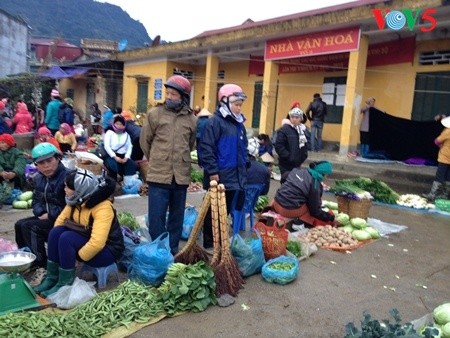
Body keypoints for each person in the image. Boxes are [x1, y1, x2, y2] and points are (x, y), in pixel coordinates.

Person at [34, 169, 124, 298]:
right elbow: (60, 221)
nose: (64, 189)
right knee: (56, 232)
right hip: (87, 239)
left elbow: (97, 243)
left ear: (79, 190)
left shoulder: (103, 208)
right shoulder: (76, 199)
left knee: (67, 238)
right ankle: (52, 278)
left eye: (68, 187)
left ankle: (65, 284)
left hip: (108, 250)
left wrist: (78, 258)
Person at [140, 74, 197, 254]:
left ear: (183, 97)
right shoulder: (155, 114)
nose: (169, 97)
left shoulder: (191, 119)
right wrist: (158, 158)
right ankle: (158, 251)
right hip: (159, 174)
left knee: (176, 217)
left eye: (174, 94)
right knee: (156, 217)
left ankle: (172, 250)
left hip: (180, 176)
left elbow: (190, 144)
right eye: (168, 93)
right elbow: (145, 141)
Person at [198, 83, 248, 250]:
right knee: (213, 210)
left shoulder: (239, 124)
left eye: (240, 105)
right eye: (236, 104)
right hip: (219, 175)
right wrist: (212, 171)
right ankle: (209, 243)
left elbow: (243, 148)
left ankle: (219, 241)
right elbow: (206, 147)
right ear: (225, 102)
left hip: (234, 175)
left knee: (223, 211)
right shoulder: (215, 122)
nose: (239, 108)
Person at [14, 143, 68, 285]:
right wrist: (40, 212)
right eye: (41, 163)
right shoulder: (39, 178)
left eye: (49, 161)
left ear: (58, 158)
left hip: (65, 221)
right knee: (19, 225)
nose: (45, 166)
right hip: (46, 217)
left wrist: (49, 214)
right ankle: (28, 259)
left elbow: (69, 206)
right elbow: (36, 200)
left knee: (30, 227)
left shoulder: (68, 177)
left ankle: (42, 264)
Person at [271, 161, 339, 228]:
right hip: (288, 210)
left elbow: (283, 177)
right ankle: (298, 222)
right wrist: (331, 218)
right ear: (323, 174)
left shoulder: (298, 170)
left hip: (276, 202)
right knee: (310, 206)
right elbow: (315, 211)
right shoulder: (314, 184)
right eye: (327, 175)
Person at [274, 107, 308, 183]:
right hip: (285, 165)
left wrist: (303, 156)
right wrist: (288, 157)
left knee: (295, 185)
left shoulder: (302, 131)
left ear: (301, 119)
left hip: (297, 164)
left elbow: (304, 146)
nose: (294, 119)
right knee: (286, 184)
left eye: (297, 117)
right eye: (292, 117)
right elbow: (279, 146)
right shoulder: (284, 130)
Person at [423, 116, 450, 201]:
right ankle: (445, 195)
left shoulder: (447, 131)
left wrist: (441, 146)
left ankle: (432, 194)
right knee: (448, 177)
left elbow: (437, 141)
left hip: (444, 157)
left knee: (440, 176)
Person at [103, 114, 136, 182]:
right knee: (113, 166)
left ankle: (128, 182)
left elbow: (130, 146)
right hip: (112, 156)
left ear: (124, 125)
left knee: (131, 165)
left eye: (121, 124)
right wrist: (115, 157)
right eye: (117, 123)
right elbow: (107, 146)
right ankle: (112, 182)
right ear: (114, 124)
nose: (119, 125)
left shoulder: (126, 135)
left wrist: (126, 157)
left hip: (123, 156)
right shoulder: (109, 133)